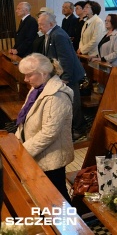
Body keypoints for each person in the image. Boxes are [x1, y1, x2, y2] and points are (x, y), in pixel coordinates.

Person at [16, 53, 74, 202]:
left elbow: (49, 133)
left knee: (57, 198)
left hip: (51, 157)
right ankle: (49, 223)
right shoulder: (38, 88)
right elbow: (25, 117)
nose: (25, 79)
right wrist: (17, 139)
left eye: (29, 75)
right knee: (45, 196)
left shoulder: (56, 96)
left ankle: (71, 225)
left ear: (44, 73)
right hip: (38, 152)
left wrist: (23, 152)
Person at [37, 12, 86, 140]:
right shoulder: (51, 34)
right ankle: (70, 127)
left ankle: (79, 128)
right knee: (66, 102)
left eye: (41, 25)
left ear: (51, 24)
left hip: (69, 75)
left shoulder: (58, 35)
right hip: (60, 74)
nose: (39, 27)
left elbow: (66, 58)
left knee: (73, 102)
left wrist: (65, 78)